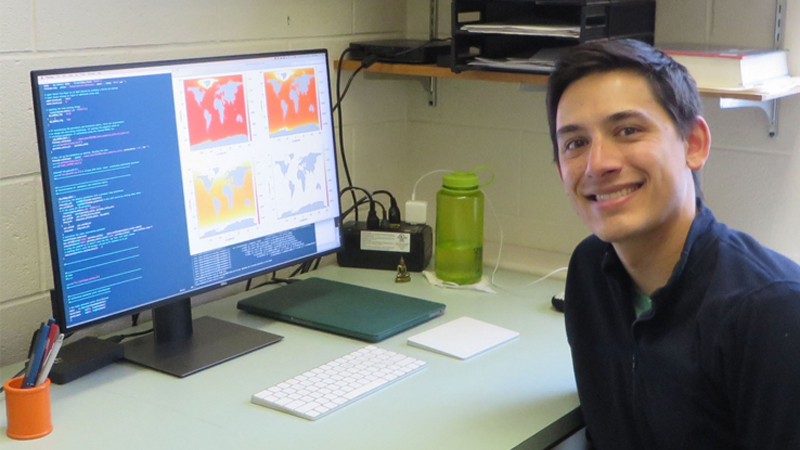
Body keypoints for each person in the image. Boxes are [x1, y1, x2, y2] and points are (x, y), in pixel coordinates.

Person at [545, 38, 800, 449]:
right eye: (575, 143)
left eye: (628, 130)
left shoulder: (773, 312)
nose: (598, 164)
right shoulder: (591, 271)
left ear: (694, 144)